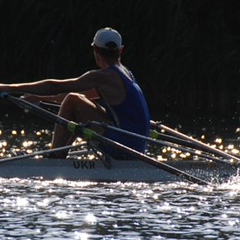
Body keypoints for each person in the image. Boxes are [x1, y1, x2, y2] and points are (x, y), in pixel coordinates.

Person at [0, 27, 150, 159]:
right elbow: (82, 97)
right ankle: (58, 155)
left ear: (95, 51)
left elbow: (55, 87)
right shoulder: (126, 74)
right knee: (75, 100)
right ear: (120, 51)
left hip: (124, 147)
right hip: (136, 146)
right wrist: (39, 98)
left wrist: (9, 87)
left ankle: (55, 157)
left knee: (73, 99)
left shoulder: (102, 76)